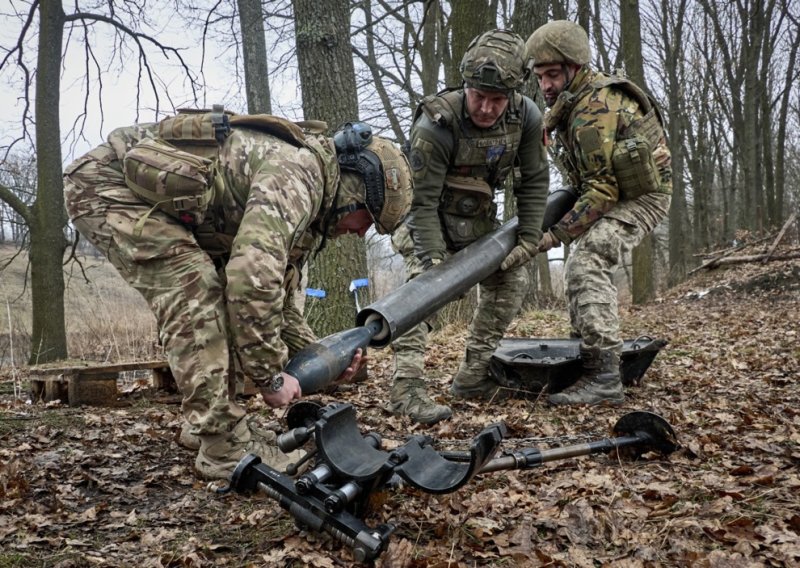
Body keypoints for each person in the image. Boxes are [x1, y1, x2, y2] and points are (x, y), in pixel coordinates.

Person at [63, 110, 412, 479]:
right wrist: (271, 379)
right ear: (353, 196)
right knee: (193, 287)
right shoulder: (297, 178)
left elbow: (276, 305)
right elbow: (250, 284)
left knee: (213, 287)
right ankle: (223, 445)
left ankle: (209, 427)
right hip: (105, 184)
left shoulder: (312, 204)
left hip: (154, 201)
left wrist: (325, 360)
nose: (361, 234)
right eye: (369, 222)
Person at [389, 29, 550, 425]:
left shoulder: (526, 115)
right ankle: (406, 388)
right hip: (425, 223)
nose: (486, 108)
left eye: (497, 100)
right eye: (479, 96)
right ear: (466, 87)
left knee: (511, 280)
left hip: (477, 221)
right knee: (422, 294)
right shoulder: (437, 124)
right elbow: (419, 202)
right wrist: (435, 262)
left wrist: (528, 238)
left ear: (512, 95)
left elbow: (533, 180)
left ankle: (473, 375)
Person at [526, 20, 672, 405]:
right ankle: (586, 357)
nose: (545, 85)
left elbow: (603, 190)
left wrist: (555, 235)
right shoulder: (570, 103)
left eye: (553, 75)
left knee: (587, 261)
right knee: (582, 259)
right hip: (618, 191)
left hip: (643, 196)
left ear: (574, 68)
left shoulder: (593, 108)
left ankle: (604, 377)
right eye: (540, 77)